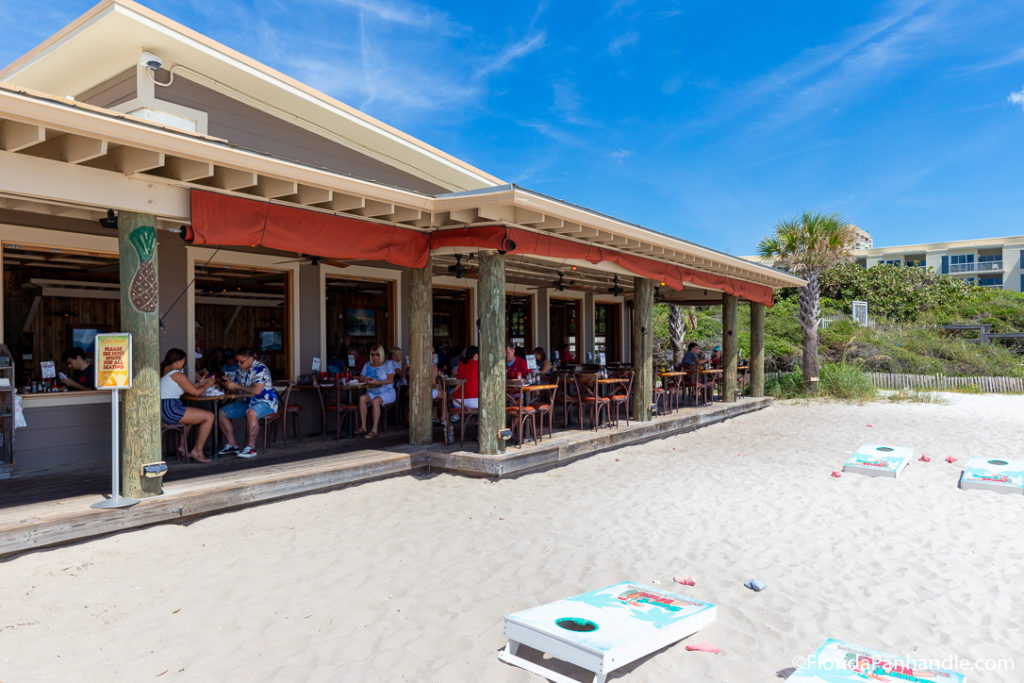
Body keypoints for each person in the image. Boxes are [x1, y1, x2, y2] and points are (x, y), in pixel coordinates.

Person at [217, 347, 278, 458]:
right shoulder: (240, 369)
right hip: (249, 402)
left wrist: (237, 386)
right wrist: (227, 383)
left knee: (251, 412)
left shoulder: (260, 369)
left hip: (266, 402)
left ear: (250, 359)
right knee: (222, 412)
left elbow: (257, 390)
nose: (239, 364)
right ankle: (232, 445)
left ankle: (251, 448)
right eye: (237, 362)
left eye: (241, 362)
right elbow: (235, 388)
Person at [160, 348, 216, 462]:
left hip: (165, 408)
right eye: (183, 362)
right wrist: (207, 386)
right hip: (171, 409)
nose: (183, 364)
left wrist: (199, 384)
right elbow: (195, 393)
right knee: (209, 416)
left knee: (191, 419)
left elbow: (186, 387)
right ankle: (197, 450)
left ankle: (182, 447)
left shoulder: (166, 371)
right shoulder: (178, 375)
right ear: (178, 362)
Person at [357, 344, 396, 438]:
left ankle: (374, 430)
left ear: (381, 354)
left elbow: (390, 380)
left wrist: (377, 381)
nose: (375, 357)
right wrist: (365, 380)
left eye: (377, 354)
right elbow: (360, 378)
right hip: (372, 391)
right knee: (362, 398)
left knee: (376, 401)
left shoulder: (388, 364)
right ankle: (363, 427)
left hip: (387, 391)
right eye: (372, 354)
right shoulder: (367, 365)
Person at [452, 346, 479, 412]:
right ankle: (479, 421)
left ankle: (459, 418)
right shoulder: (478, 365)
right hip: (472, 402)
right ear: (475, 355)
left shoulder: (461, 364)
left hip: (457, 401)